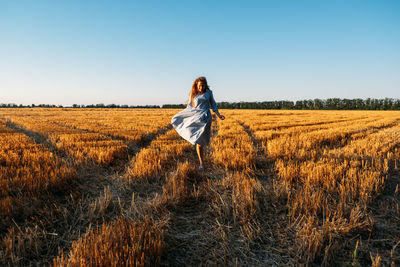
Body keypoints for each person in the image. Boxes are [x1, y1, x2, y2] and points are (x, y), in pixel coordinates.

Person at [171, 76, 225, 170]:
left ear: (206, 85)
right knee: (197, 140)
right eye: (200, 85)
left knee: (201, 143)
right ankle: (202, 163)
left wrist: (219, 115)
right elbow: (190, 107)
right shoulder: (193, 93)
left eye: (203, 85)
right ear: (196, 85)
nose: (202, 88)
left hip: (205, 118)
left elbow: (213, 105)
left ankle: (201, 163)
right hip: (196, 117)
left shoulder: (209, 93)